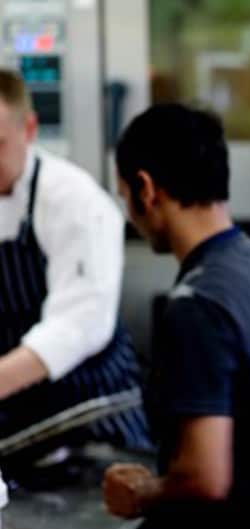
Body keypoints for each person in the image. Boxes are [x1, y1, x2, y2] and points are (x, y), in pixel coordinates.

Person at [102, 103, 250, 529]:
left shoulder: (196, 304)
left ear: (146, 189)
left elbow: (206, 478)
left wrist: (142, 493)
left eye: (124, 195)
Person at [0, 68, 149, 473]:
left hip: (90, 416)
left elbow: (80, 324)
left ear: (29, 129)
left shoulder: (74, 201)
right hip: (16, 421)